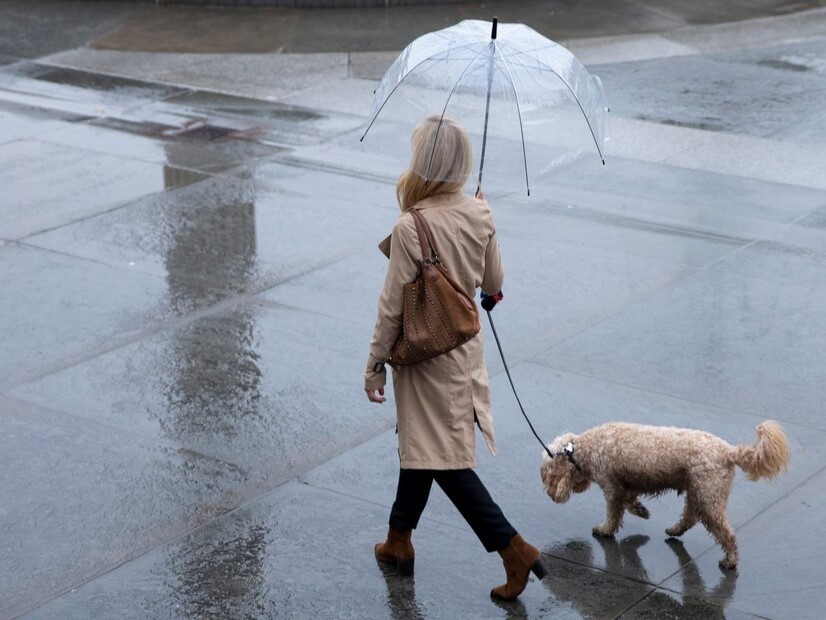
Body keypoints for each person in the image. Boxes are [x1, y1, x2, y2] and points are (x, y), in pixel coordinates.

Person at [363, 115, 548, 602]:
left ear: (422, 163)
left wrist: (374, 363)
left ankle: (514, 549)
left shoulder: (411, 226)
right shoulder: (478, 213)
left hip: (424, 358)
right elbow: (493, 285)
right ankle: (399, 540)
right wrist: (487, 220)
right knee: (425, 449)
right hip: (464, 355)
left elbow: (392, 306)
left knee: (445, 463)